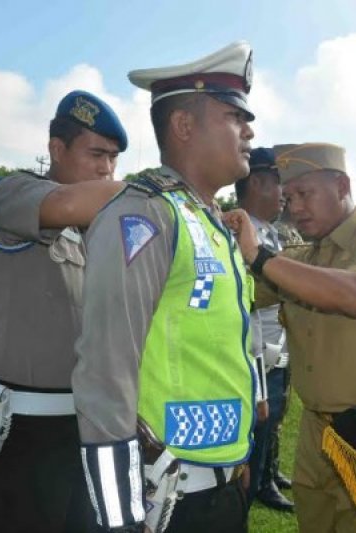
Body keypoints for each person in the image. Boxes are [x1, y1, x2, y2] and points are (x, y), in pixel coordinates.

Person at [72, 42, 257, 533]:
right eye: (234, 115)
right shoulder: (146, 213)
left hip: (221, 485)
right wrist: (119, 520)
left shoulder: (209, 220)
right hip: (166, 501)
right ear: (184, 125)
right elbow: (105, 373)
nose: (249, 130)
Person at [223, 142, 356, 533]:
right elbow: (237, 294)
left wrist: (263, 257)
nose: (294, 207)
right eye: (287, 198)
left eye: (304, 194)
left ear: (341, 186)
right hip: (318, 431)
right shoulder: (301, 258)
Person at [0, 89, 127, 533]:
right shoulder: (13, 193)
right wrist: (162, 190)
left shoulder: (90, 228)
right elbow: (68, 204)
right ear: (56, 149)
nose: (106, 169)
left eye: (113, 158)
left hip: (81, 427)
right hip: (20, 430)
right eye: (96, 153)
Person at [237, 147, 294, 513]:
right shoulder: (237, 229)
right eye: (278, 185)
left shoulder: (270, 232)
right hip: (257, 351)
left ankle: (268, 472)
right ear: (257, 182)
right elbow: (249, 294)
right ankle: (257, 484)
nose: (283, 195)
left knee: (276, 416)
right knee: (260, 421)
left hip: (280, 345)